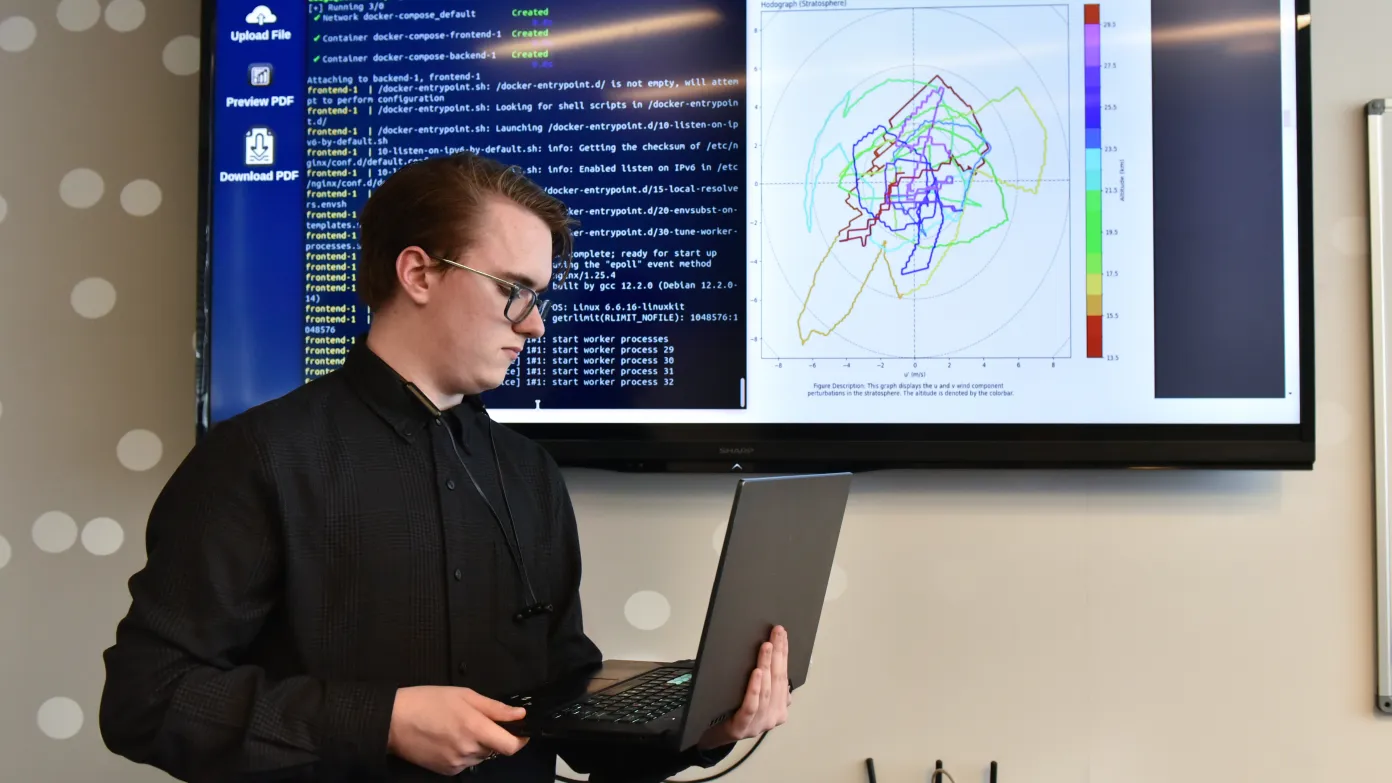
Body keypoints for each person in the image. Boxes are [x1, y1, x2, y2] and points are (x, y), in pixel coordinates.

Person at [98, 152, 792, 782]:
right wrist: (382, 720)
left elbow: (565, 714)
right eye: (514, 289)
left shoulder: (530, 474)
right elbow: (146, 697)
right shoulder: (255, 458)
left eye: (541, 296)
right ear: (418, 272)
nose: (535, 325)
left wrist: (709, 725)